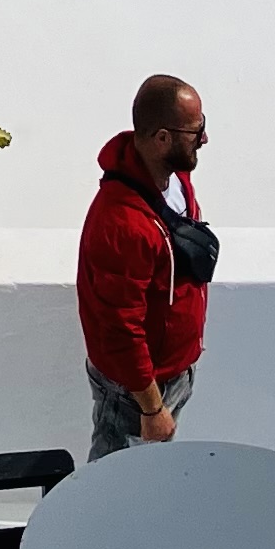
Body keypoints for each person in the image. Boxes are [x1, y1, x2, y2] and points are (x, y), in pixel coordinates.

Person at [76, 74, 216, 459]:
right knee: (113, 485)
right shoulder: (121, 225)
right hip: (136, 395)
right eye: (195, 131)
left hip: (173, 375)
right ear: (162, 139)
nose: (204, 138)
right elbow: (120, 328)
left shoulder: (175, 177)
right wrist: (152, 408)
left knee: (147, 477)